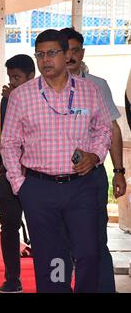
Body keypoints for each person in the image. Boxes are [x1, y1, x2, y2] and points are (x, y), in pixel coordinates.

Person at [0, 29, 112, 293]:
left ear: (67, 54)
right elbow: (9, 143)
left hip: (81, 187)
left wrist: (95, 155)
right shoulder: (22, 96)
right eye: (40, 54)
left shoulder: (89, 91)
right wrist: (20, 185)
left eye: (52, 53)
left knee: (88, 253)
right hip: (40, 189)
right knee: (53, 258)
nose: (45, 60)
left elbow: (104, 129)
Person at [60, 27, 126, 293]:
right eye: (66, 51)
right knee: (62, 245)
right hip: (58, 180)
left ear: (82, 52)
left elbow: (113, 129)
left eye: (76, 50)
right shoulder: (47, 88)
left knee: (96, 242)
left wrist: (119, 170)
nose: (71, 56)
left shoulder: (98, 85)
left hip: (92, 178)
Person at [0, 54, 35, 293]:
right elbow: (6, 139)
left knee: (44, 226)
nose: (13, 82)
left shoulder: (43, 97)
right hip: (10, 174)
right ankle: (12, 280)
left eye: (17, 77)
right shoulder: (8, 100)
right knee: (8, 227)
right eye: (10, 78)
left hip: (37, 174)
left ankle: (52, 278)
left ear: (32, 76)